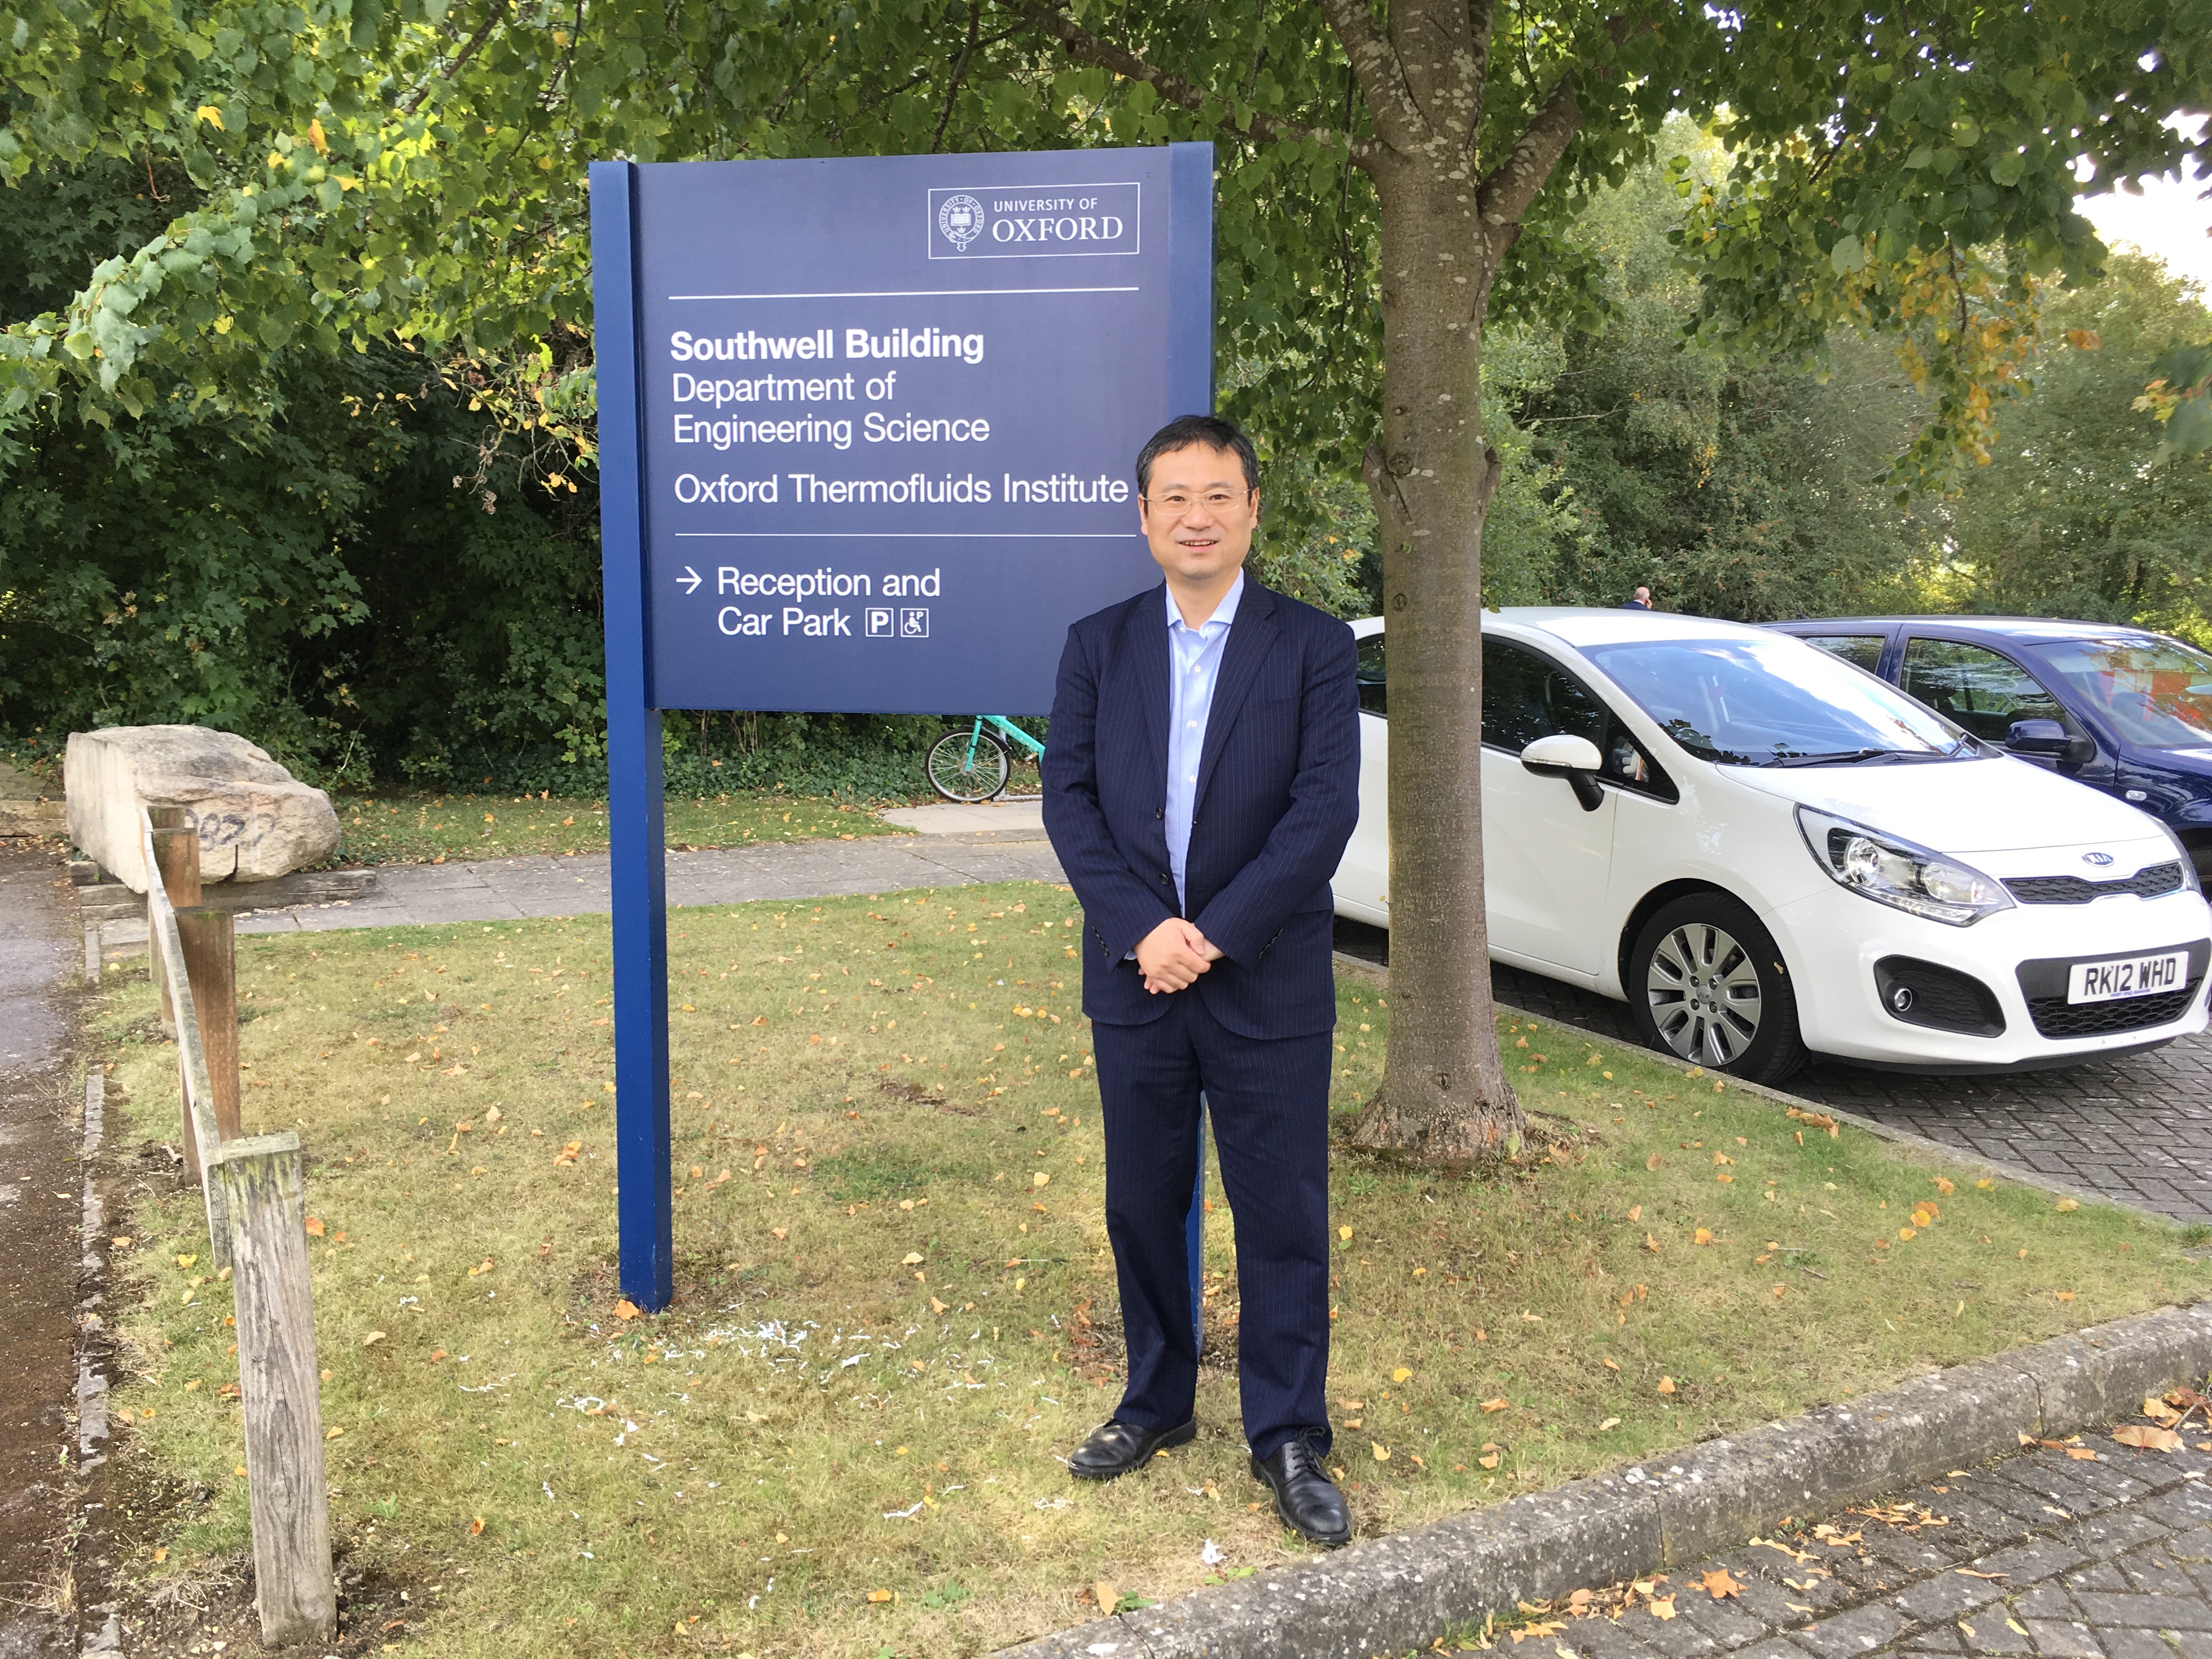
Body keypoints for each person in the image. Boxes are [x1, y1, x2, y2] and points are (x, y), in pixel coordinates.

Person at [1041, 413, 1361, 1548]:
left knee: (1282, 1215)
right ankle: (1155, 1401)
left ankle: (1288, 1433)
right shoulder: (1098, 645)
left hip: (1266, 980)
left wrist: (1211, 935)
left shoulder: (1314, 646)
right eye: (1174, 497)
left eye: (1218, 495)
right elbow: (1068, 802)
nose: (1196, 516)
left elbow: (1323, 812)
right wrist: (1146, 931)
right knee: (1143, 1201)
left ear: (1252, 511)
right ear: (1144, 516)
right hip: (1137, 981)